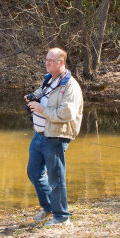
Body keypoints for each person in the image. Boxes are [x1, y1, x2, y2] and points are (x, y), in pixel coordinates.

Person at [25, 47, 83, 226]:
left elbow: (67, 114)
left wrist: (42, 110)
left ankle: (62, 217)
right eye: (46, 59)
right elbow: (43, 97)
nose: (47, 63)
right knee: (34, 172)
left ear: (62, 63)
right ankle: (49, 208)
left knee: (56, 177)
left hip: (56, 136)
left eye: (51, 60)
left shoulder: (70, 85)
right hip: (40, 135)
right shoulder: (49, 79)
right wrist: (33, 99)